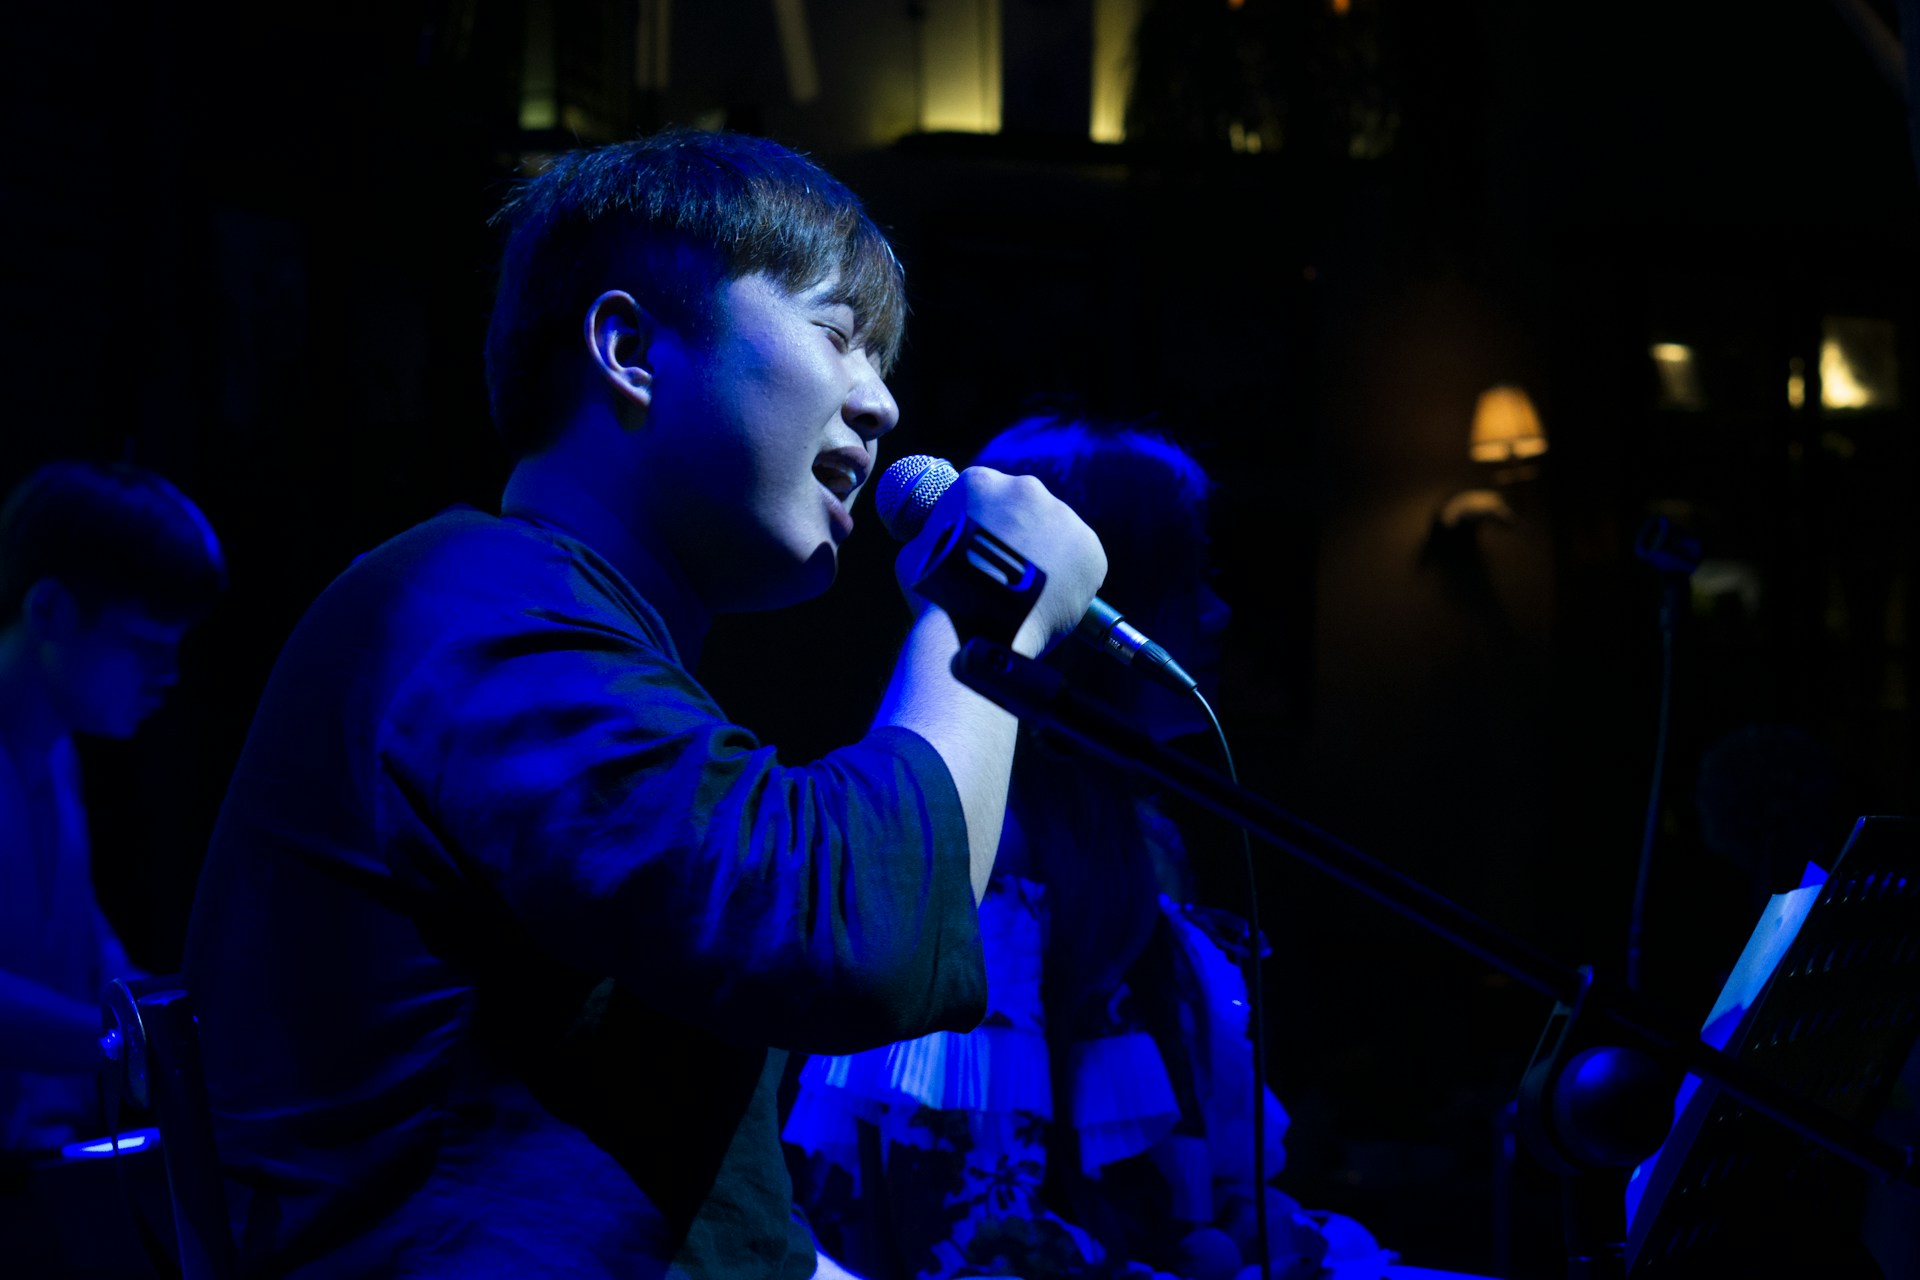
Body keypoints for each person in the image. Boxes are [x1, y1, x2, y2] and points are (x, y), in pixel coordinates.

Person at [184, 129, 1106, 1278]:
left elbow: (656, 1181)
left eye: (884, 360)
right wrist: (984, 611)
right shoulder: (474, 614)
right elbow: (852, 928)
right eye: (835, 334)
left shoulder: (566, 643)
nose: (879, 403)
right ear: (629, 348)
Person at [785, 415, 1352, 1280]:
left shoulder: (1140, 842)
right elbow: (971, 1237)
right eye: (1192, 569)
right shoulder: (994, 863)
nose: (1219, 610)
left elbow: (1175, 1190)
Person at [0, 460, 226, 1154]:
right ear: (48, 611)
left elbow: (86, 942)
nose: (169, 675)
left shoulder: (55, 753)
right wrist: (131, 1042)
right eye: (143, 644)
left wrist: (172, 1017)